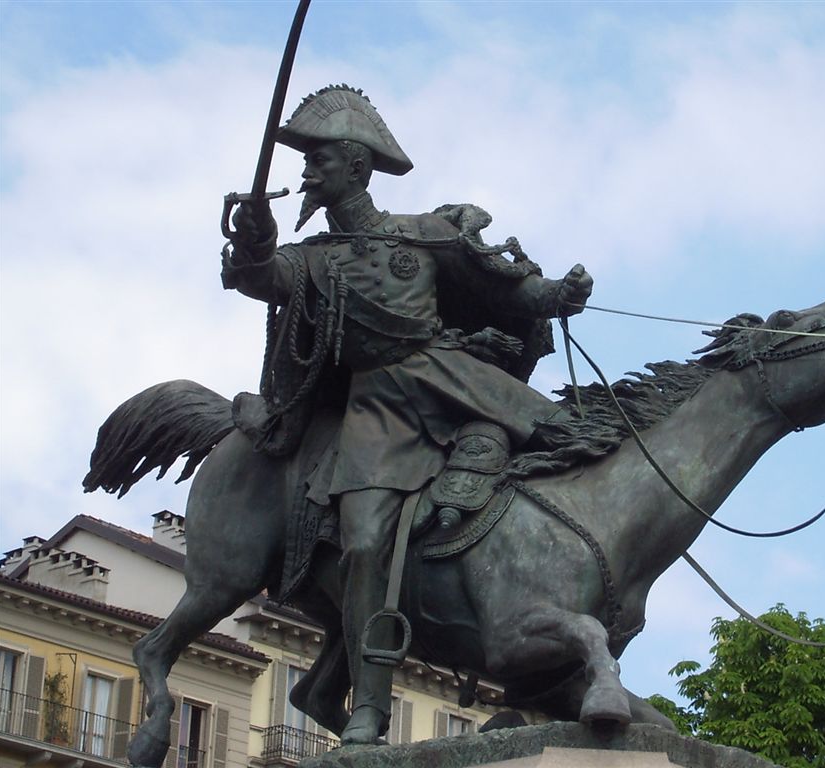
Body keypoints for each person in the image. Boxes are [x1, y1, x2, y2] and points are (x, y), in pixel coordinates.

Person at [222, 85, 592, 744]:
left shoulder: (423, 236)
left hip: (458, 384)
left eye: (320, 159)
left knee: (576, 455)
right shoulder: (313, 261)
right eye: (305, 161)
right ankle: (369, 701)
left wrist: (555, 295)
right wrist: (252, 244)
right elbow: (260, 278)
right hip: (378, 415)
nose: (307, 171)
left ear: (357, 168)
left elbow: (497, 282)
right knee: (363, 541)